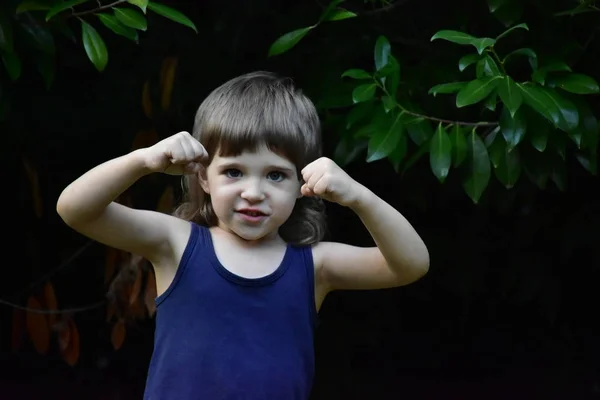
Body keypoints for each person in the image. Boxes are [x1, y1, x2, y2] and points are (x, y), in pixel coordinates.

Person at [56, 71, 430, 399]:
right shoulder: (177, 243)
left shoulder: (314, 265)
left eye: (275, 175)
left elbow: (410, 265)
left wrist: (360, 197)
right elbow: (75, 209)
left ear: (303, 181)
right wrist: (143, 160)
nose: (254, 192)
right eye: (234, 172)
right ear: (203, 175)